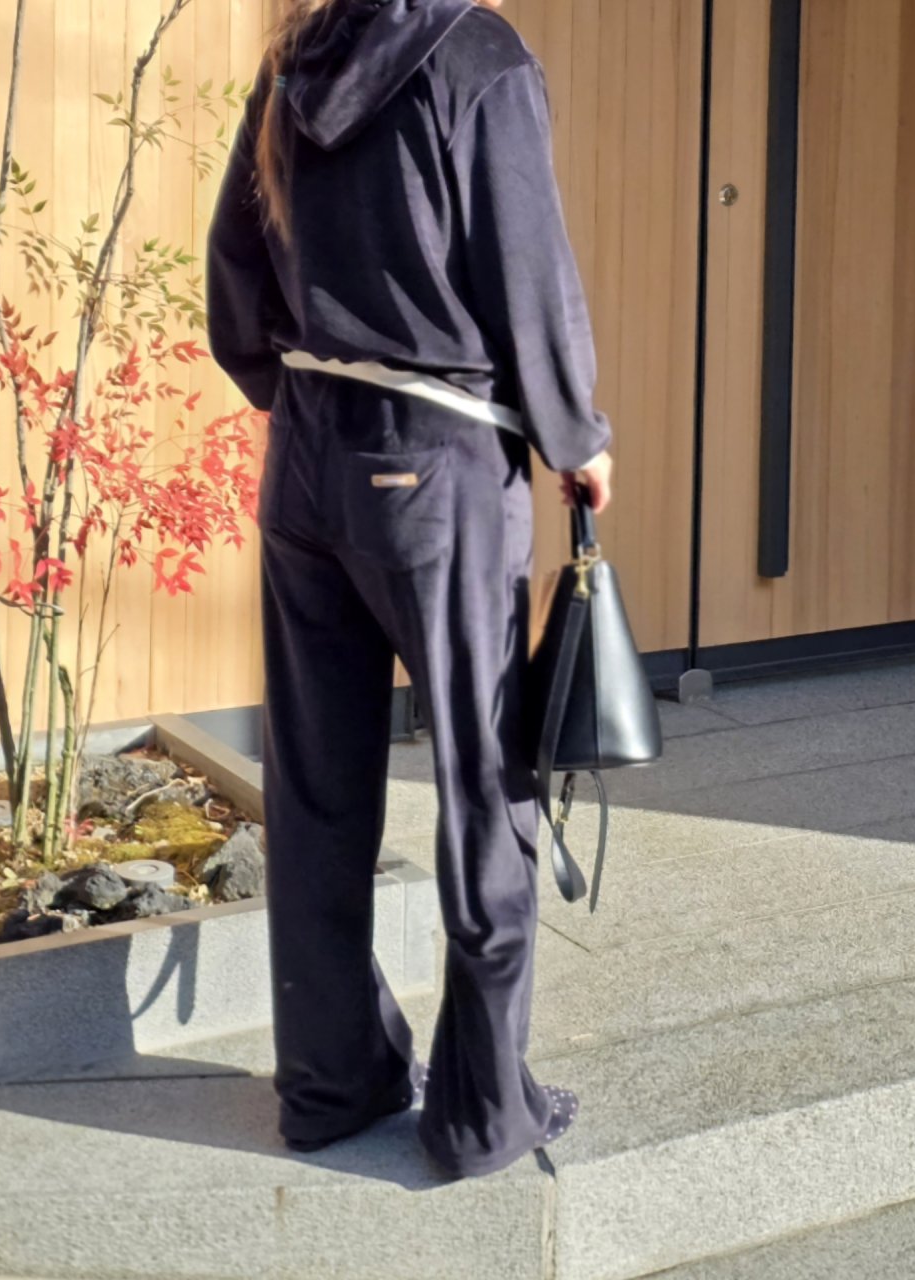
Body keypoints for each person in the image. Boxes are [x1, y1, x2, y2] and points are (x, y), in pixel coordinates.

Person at [205, 0, 613, 1179]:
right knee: (485, 784)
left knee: (316, 788)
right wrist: (574, 431)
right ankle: (483, 1111)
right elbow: (525, 265)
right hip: (436, 469)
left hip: (305, 461)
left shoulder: (296, 56)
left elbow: (234, 268)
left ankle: (331, 1086)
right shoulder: (477, 55)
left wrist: (293, 392)